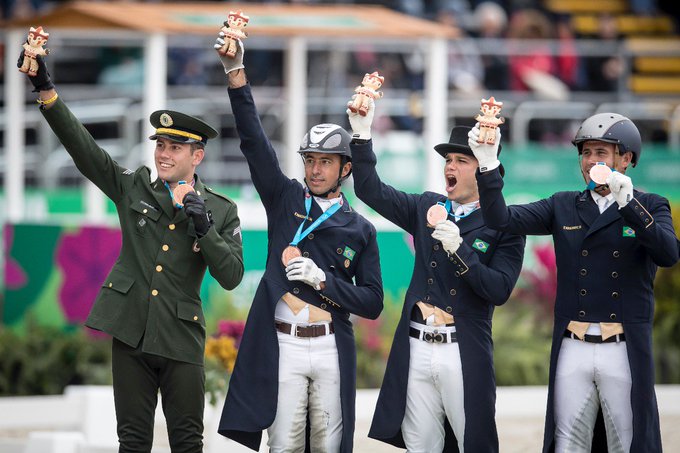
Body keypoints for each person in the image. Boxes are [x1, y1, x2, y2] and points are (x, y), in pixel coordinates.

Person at [19, 42, 244, 453]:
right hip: (131, 333)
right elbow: (85, 151)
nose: (163, 154)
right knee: (133, 442)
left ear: (198, 155)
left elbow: (230, 277)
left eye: (175, 148)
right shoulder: (134, 185)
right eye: (160, 145)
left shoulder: (220, 209)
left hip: (181, 340)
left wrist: (202, 224)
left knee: (188, 444)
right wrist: (45, 90)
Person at [214, 34, 384, 453]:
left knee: (327, 446)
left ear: (345, 168)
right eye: (309, 160)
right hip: (283, 341)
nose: (315, 169)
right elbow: (254, 143)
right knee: (284, 445)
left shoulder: (360, 228)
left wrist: (324, 281)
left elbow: (373, 303)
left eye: (325, 161)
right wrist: (236, 74)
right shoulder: (285, 196)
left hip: (328, 341)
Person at [471, 114, 679, 452]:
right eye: (586, 153)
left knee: (628, 441)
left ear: (626, 160)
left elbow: (668, 253)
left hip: (622, 347)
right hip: (573, 345)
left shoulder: (650, 204)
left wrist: (630, 206)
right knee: (567, 441)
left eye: (602, 153)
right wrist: (489, 163)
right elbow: (501, 219)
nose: (591, 161)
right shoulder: (563, 204)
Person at [350, 98, 525, 452]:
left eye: (462, 160)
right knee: (421, 445)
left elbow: (500, 289)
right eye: (448, 160)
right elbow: (370, 190)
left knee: (472, 442)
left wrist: (461, 252)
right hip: (416, 345)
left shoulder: (505, 223)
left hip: (461, 349)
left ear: (485, 170)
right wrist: (362, 134)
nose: (451, 166)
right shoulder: (428, 205)